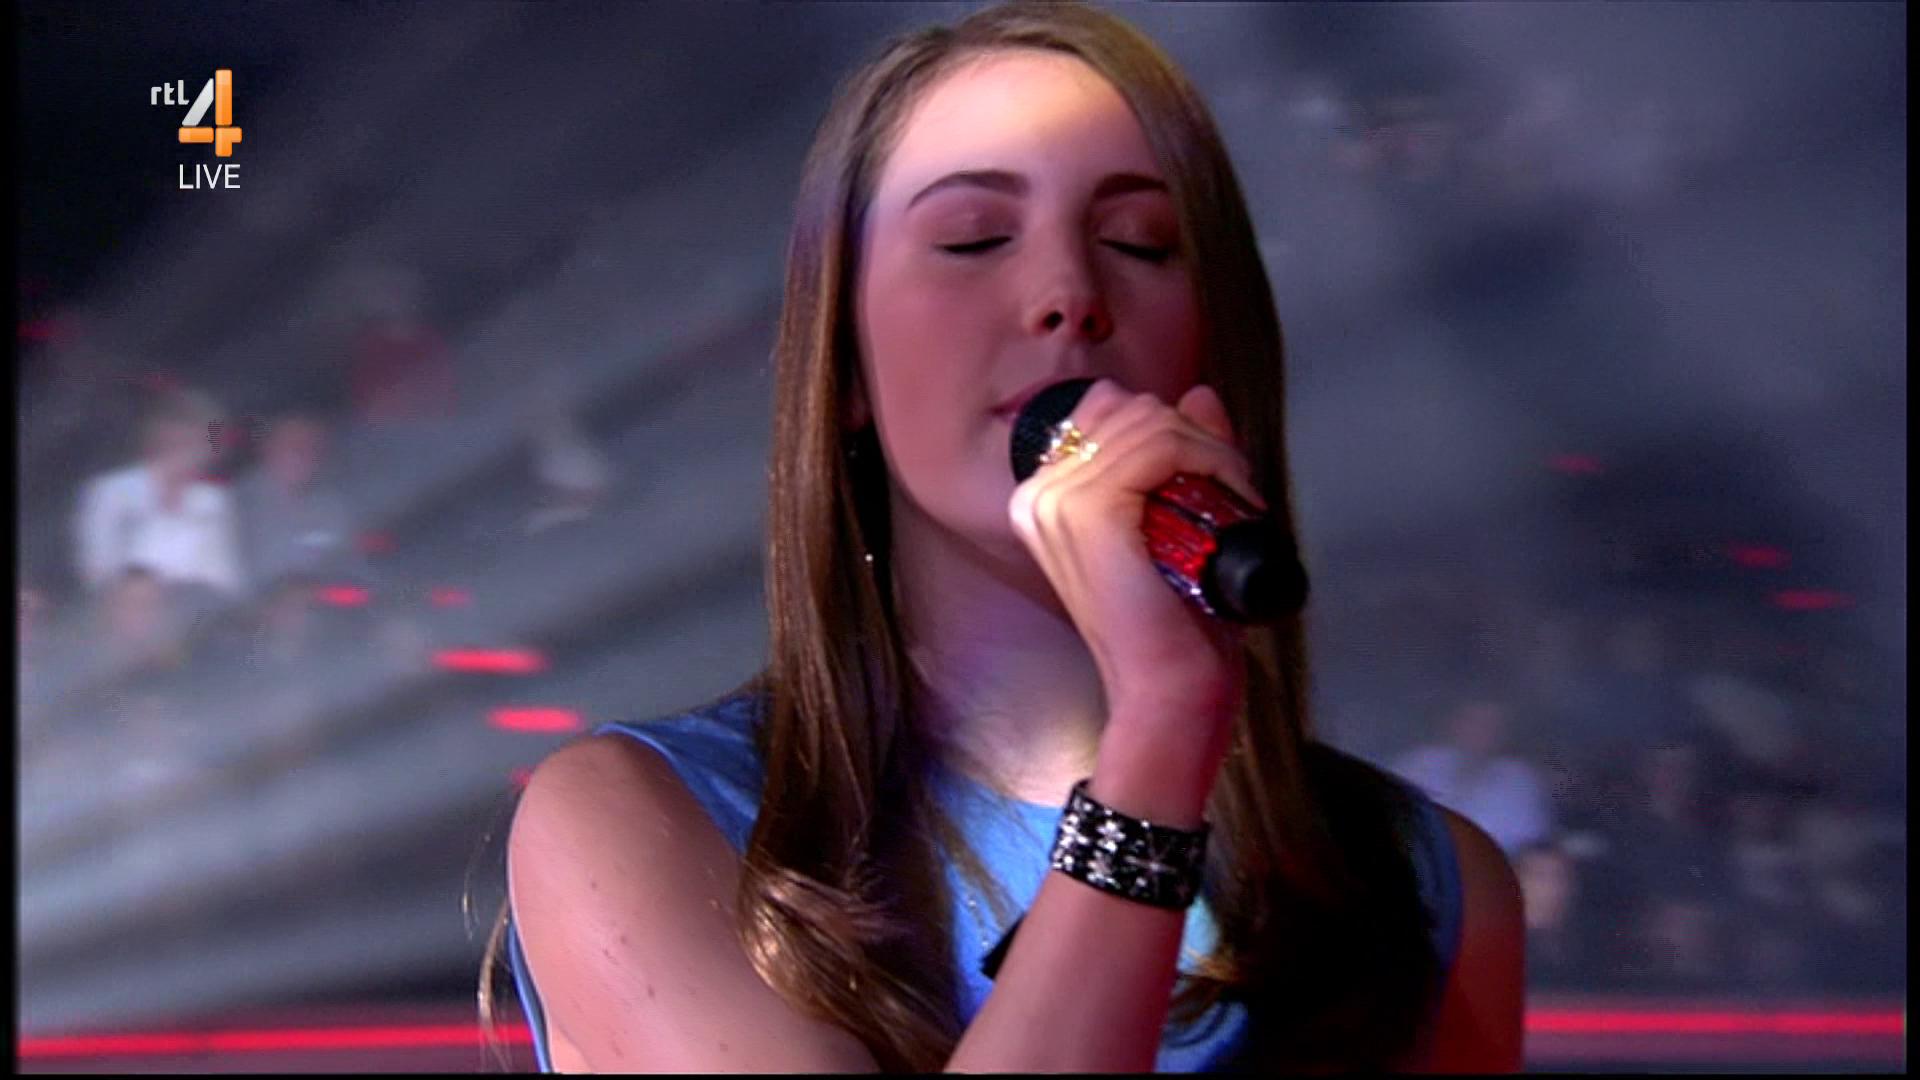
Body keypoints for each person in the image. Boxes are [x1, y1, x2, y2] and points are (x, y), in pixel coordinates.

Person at [492, 2, 1523, 1072]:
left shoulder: (1426, 884)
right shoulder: (641, 822)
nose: (1069, 295)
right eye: (973, 240)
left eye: (1139, 243)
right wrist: (1160, 730)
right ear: (846, 365)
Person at [73, 388, 246, 599]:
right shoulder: (110, 492)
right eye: (179, 442)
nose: (188, 452)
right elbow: (96, 570)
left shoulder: (214, 501)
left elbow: (226, 578)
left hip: (197, 609)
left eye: (197, 442)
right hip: (125, 606)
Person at [1391, 695, 1554, 855]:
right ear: (1454, 726)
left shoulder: (1520, 781)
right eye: (1472, 724)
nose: (1480, 734)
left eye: (1490, 727)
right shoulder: (1418, 765)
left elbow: (1528, 844)